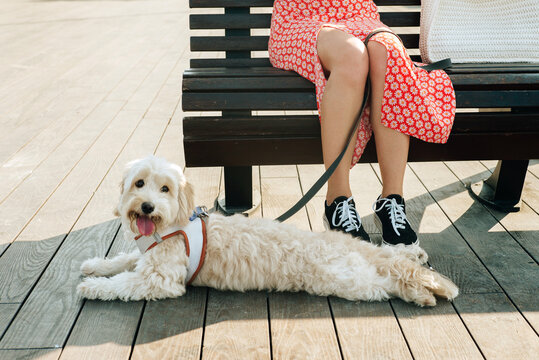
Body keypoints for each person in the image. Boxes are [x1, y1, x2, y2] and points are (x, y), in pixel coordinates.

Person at [268, 0, 456, 245]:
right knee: (352, 55)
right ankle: (337, 200)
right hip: (300, 20)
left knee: (388, 51)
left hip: (359, 14)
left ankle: (392, 200)